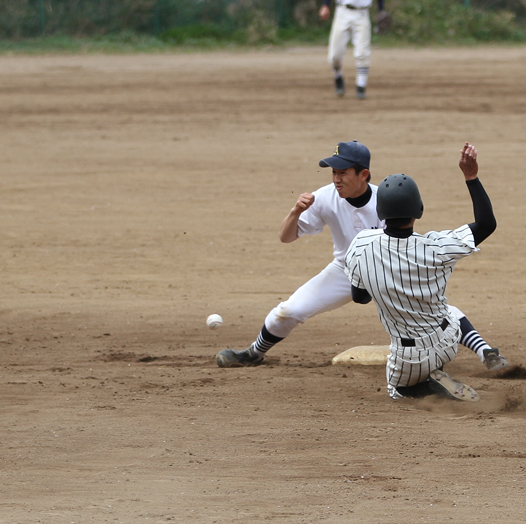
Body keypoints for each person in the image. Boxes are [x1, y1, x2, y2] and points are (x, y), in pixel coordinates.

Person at [215, 141, 509, 372]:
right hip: (345, 269)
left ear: (363, 175)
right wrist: (295, 212)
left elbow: (403, 241)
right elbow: (286, 237)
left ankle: (486, 353)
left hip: (390, 269)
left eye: (343, 172)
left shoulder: (388, 199)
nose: (336, 178)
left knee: (438, 311)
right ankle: (254, 353)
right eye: (333, 172)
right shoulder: (324, 198)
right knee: (289, 310)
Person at [345, 143, 497, 401]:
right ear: (419, 211)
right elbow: (486, 224)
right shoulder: (437, 246)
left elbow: (360, 297)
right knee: (450, 311)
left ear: (380, 213)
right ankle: (472, 354)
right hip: (447, 340)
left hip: (409, 359)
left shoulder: (361, 245)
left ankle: (430, 389)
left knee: (397, 392)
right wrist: (471, 176)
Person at [318, 0, 386, 100]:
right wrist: (325, 5)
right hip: (342, 12)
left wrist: (382, 11)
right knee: (335, 55)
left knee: (362, 53)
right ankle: (338, 76)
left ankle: (361, 87)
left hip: (362, 14)